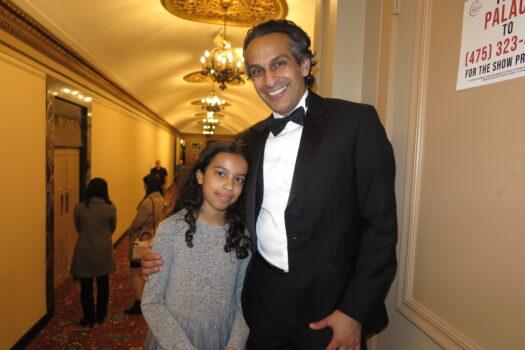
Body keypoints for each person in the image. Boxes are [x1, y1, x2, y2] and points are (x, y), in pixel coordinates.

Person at [143, 19, 397, 350]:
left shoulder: (355, 123)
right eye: (256, 71)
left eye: (278, 64)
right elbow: (223, 211)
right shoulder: (247, 141)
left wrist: (354, 311)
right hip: (260, 308)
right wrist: (164, 249)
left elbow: (380, 226)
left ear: (304, 64)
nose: (268, 80)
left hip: (331, 309)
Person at [141, 142, 251, 350]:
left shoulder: (242, 236)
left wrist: (235, 344)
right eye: (220, 173)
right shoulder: (171, 230)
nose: (229, 185)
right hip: (175, 339)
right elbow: (152, 303)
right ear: (200, 176)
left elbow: (242, 299)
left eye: (238, 179)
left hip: (224, 339)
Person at [70, 178, 116, 327]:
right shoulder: (110, 208)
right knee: (103, 284)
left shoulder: (80, 207)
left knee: (86, 285)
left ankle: (88, 317)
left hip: (85, 249)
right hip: (103, 249)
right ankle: (101, 315)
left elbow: (78, 227)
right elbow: (112, 228)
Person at [123, 174, 165, 315]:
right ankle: (148, 299)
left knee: (136, 270)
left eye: (145, 184)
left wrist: (129, 232)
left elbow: (137, 223)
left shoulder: (148, 202)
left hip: (142, 239)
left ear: (149, 185)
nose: (144, 187)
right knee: (148, 270)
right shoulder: (161, 199)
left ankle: (139, 302)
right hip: (153, 237)